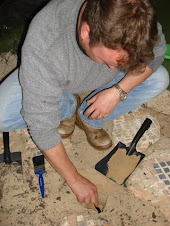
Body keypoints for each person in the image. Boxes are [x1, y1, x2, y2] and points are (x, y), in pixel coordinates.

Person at [0, 0, 169, 207]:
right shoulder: (46, 42)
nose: (110, 68)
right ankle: (66, 106)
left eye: (118, 63)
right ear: (85, 32)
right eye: (105, 61)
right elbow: (42, 127)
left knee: (159, 79)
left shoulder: (136, 16)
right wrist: (75, 179)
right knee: (2, 115)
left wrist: (118, 91)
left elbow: (157, 54)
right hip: (55, 75)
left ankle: (87, 116)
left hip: (104, 83)